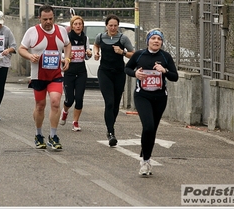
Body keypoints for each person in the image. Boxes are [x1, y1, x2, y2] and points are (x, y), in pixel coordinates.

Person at [124, 28, 178, 176]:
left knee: (152, 129)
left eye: (159, 39)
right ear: (148, 41)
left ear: (162, 42)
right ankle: (145, 162)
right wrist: (135, 73)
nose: (156, 41)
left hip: (160, 97)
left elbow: (175, 76)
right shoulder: (139, 55)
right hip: (142, 96)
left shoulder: (165, 57)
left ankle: (145, 153)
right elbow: (127, 68)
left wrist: (164, 70)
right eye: (153, 38)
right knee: (148, 126)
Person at [18, 4, 71, 150]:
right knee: (40, 106)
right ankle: (38, 134)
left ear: (54, 17)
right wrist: (30, 56)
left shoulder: (61, 30)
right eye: (45, 19)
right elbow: (21, 49)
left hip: (56, 74)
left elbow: (67, 44)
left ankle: (53, 136)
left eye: (50, 19)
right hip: (38, 76)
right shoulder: (32, 32)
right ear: (39, 18)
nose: (48, 22)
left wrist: (67, 59)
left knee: (55, 102)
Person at [92, 14, 134, 147]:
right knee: (109, 102)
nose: (113, 27)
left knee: (116, 104)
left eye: (115, 25)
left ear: (118, 26)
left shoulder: (123, 38)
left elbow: (133, 54)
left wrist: (122, 52)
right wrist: (96, 53)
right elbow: (96, 45)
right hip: (104, 72)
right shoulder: (101, 36)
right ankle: (111, 132)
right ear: (106, 26)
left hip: (119, 73)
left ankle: (111, 125)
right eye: (110, 25)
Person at [60, 15, 92, 131]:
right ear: (72, 26)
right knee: (70, 99)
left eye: (80, 24)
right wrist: (67, 56)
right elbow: (61, 54)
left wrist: (89, 54)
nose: (78, 26)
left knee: (79, 98)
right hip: (69, 71)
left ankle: (75, 122)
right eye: (76, 24)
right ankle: (65, 111)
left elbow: (87, 54)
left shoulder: (85, 38)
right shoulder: (67, 38)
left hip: (81, 71)